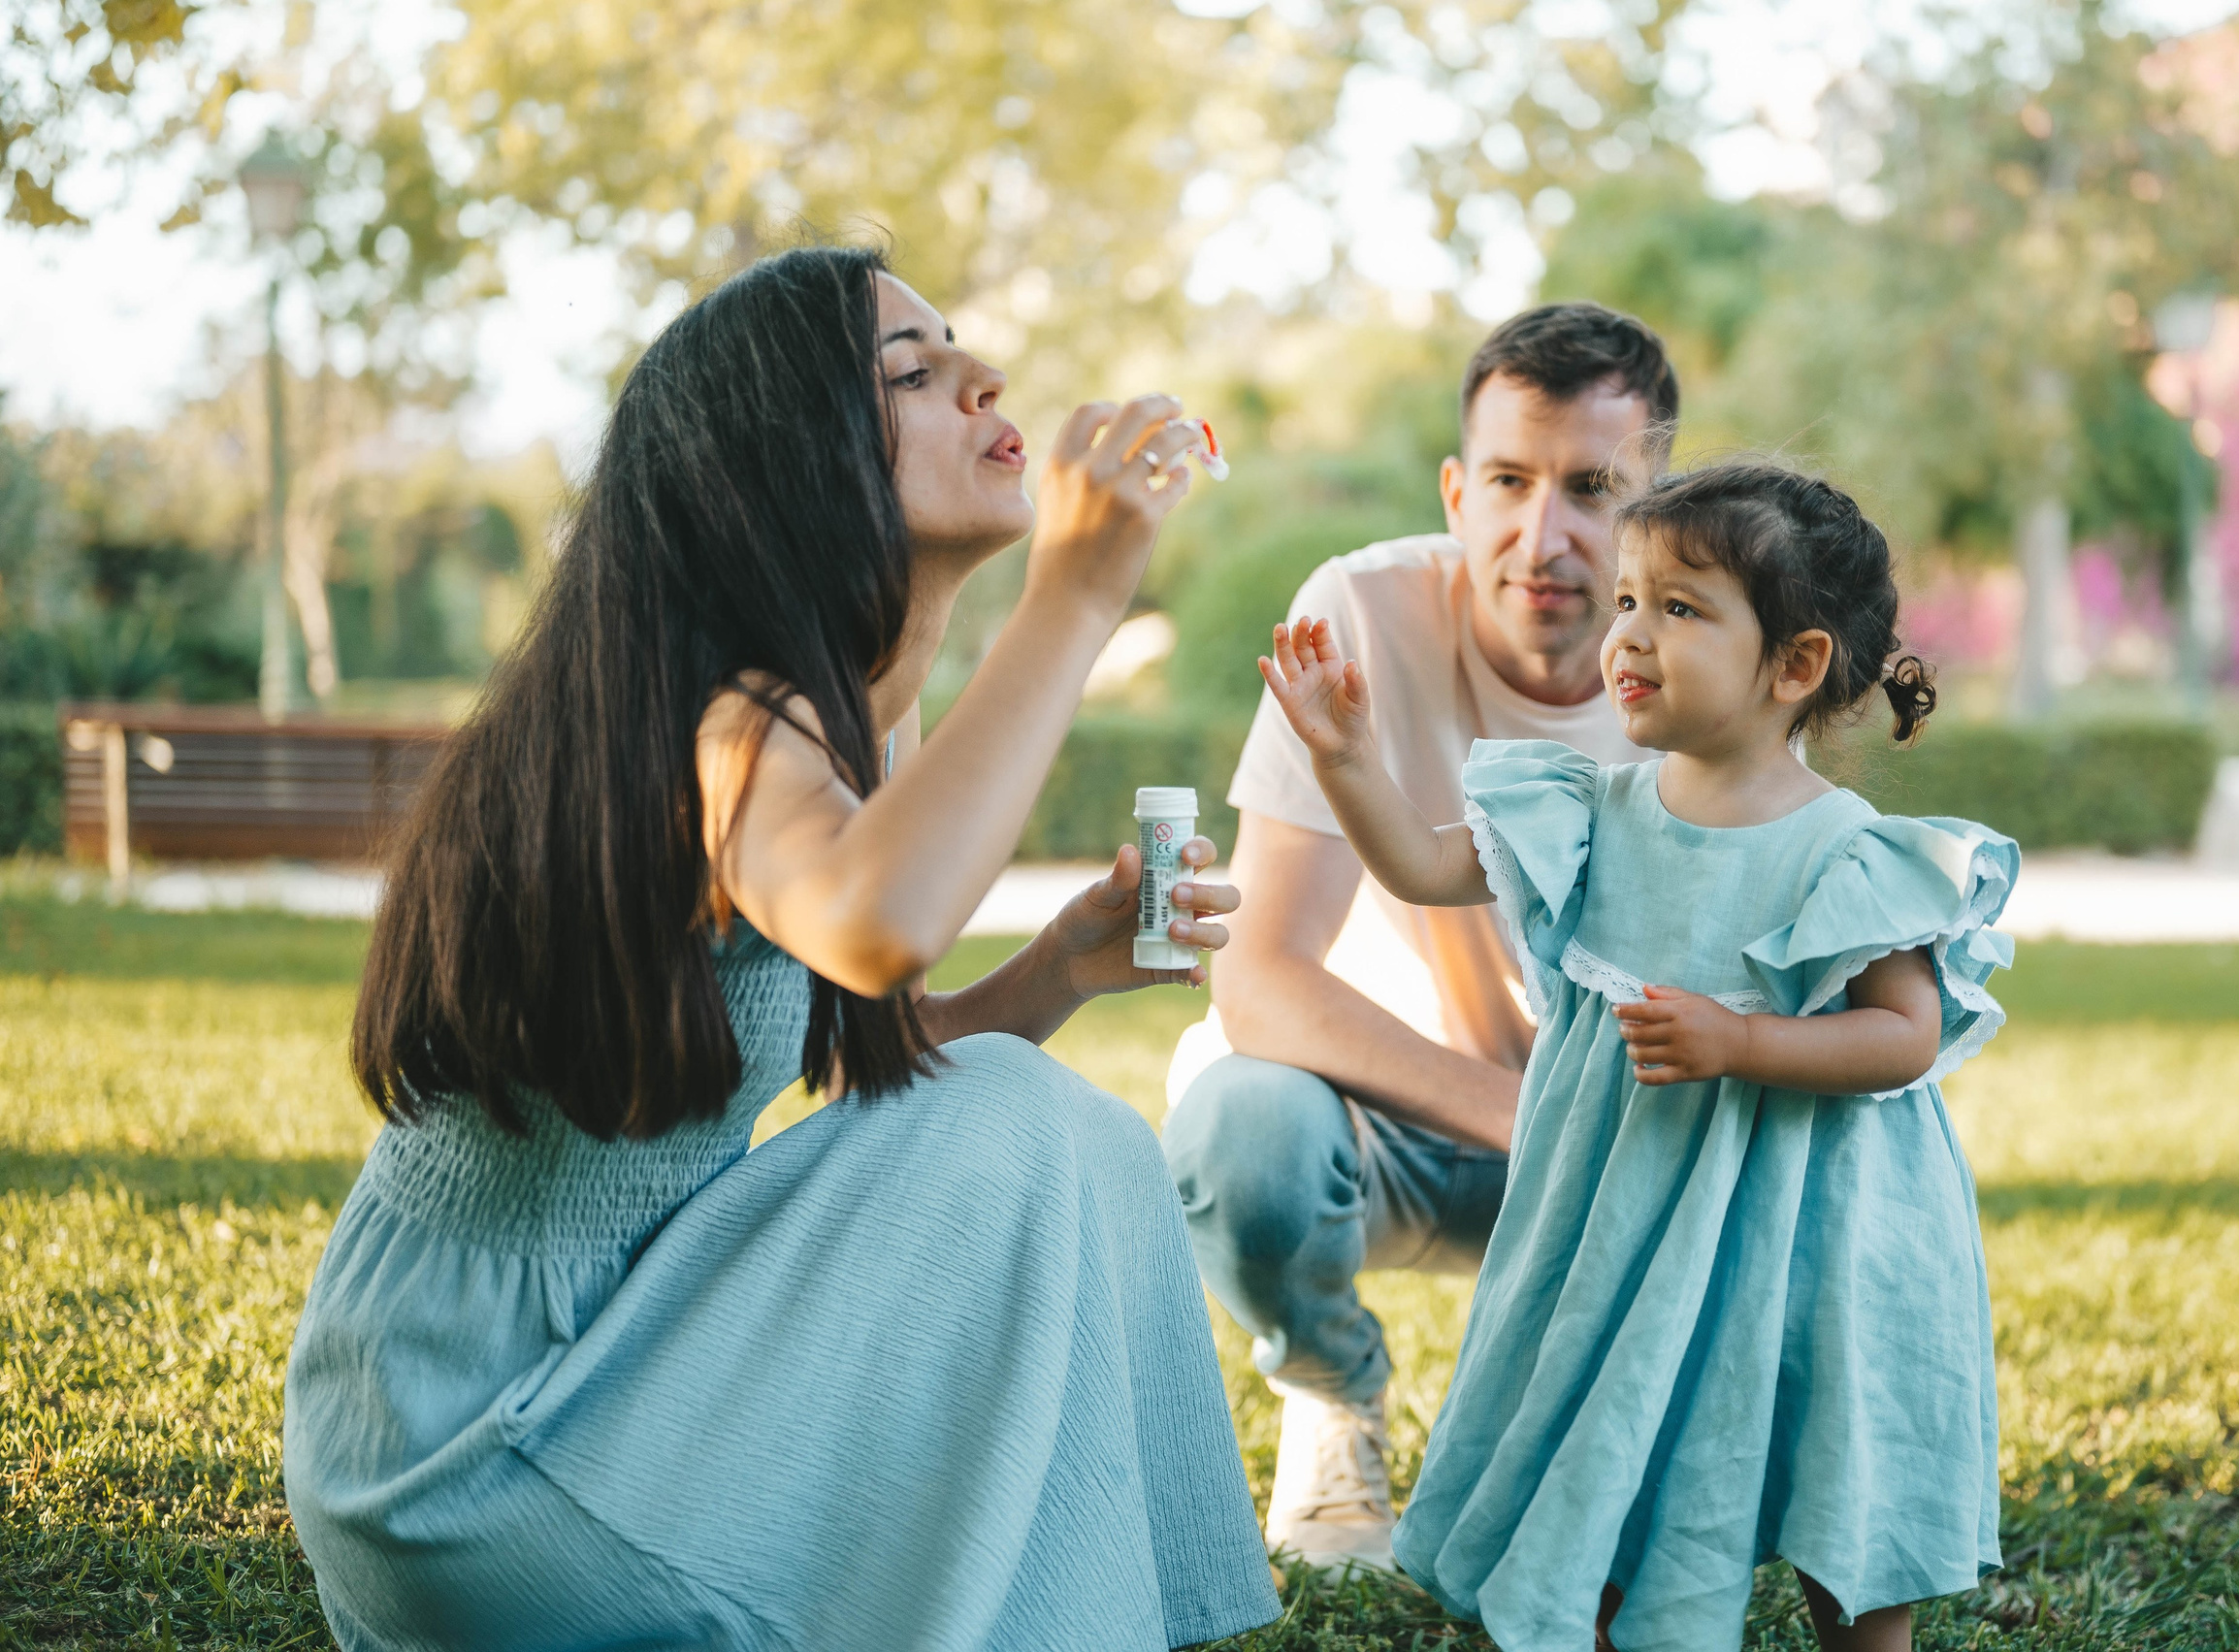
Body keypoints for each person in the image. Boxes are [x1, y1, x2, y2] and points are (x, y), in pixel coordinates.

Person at [281, 245, 1281, 1651]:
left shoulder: (851, 716)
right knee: (1024, 1118)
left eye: (961, 353)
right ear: (791, 462)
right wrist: (1075, 594)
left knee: (1079, 1132)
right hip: (471, 1447)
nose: (986, 379)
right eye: (914, 374)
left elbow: (881, 1050)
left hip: (622, 1357)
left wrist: (1057, 965)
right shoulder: (726, 720)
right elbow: (879, 925)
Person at [1255, 460, 2017, 1652]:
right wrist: (1345, 757)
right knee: (1615, 1436)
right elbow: (1419, 865)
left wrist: (1743, 1038)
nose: (1629, 633)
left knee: (1837, 1452)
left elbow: (1902, 1033)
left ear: (1795, 664)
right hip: (1624, 1217)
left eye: (1678, 606)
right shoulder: (1589, 812)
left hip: (1812, 1230)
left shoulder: (1846, 850)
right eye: (1625, 599)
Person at [1160, 303, 1678, 1571]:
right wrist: (1522, 1114)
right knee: (1239, 1125)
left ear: (1658, 509)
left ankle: (1597, 1418)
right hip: (1382, 1120)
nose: (1541, 536)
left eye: (1592, 488)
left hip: (1611, 1149)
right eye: (1508, 480)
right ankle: (1331, 1389)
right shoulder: (1358, 611)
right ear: (1456, 490)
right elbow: (1258, 977)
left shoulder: (1705, 661)